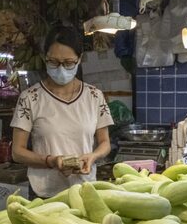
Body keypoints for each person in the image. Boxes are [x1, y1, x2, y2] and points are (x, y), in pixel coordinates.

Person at [10, 26, 113, 198]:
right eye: (53, 62)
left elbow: (105, 143)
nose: (61, 68)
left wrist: (93, 156)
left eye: (68, 63)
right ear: (44, 58)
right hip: (45, 194)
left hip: (85, 190)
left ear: (79, 59)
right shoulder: (30, 98)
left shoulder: (94, 96)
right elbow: (17, 152)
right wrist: (51, 161)